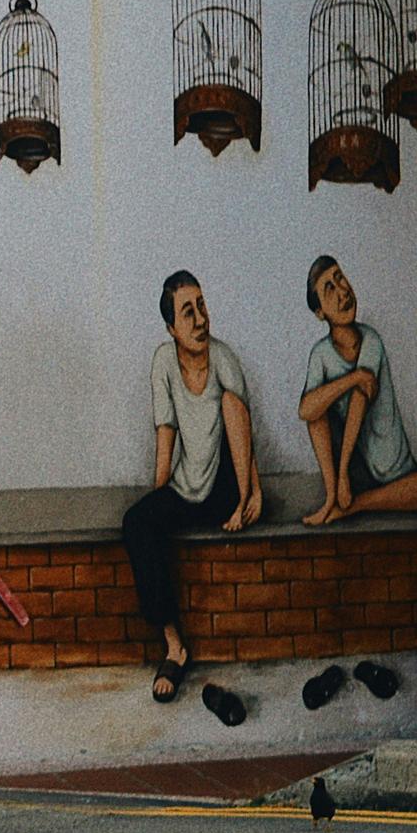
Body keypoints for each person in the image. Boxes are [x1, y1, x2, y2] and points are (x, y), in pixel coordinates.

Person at [126, 270, 259, 709]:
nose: (201, 319)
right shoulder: (163, 362)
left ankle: (244, 499)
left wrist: (252, 495)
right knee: (138, 522)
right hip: (188, 486)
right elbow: (165, 433)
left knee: (231, 401)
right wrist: (158, 500)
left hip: (227, 487)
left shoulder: (223, 357)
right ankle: (174, 648)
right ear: (171, 327)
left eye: (202, 306)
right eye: (188, 311)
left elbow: (244, 432)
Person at [296, 254, 417, 527]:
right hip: (355, 468)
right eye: (329, 288)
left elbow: (359, 401)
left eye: (340, 278)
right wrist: (352, 378)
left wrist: (343, 474)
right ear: (320, 313)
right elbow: (305, 410)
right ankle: (331, 498)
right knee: (316, 411)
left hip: (388, 468)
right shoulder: (321, 354)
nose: (343, 292)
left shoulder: (370, 339)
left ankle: (352, 507)